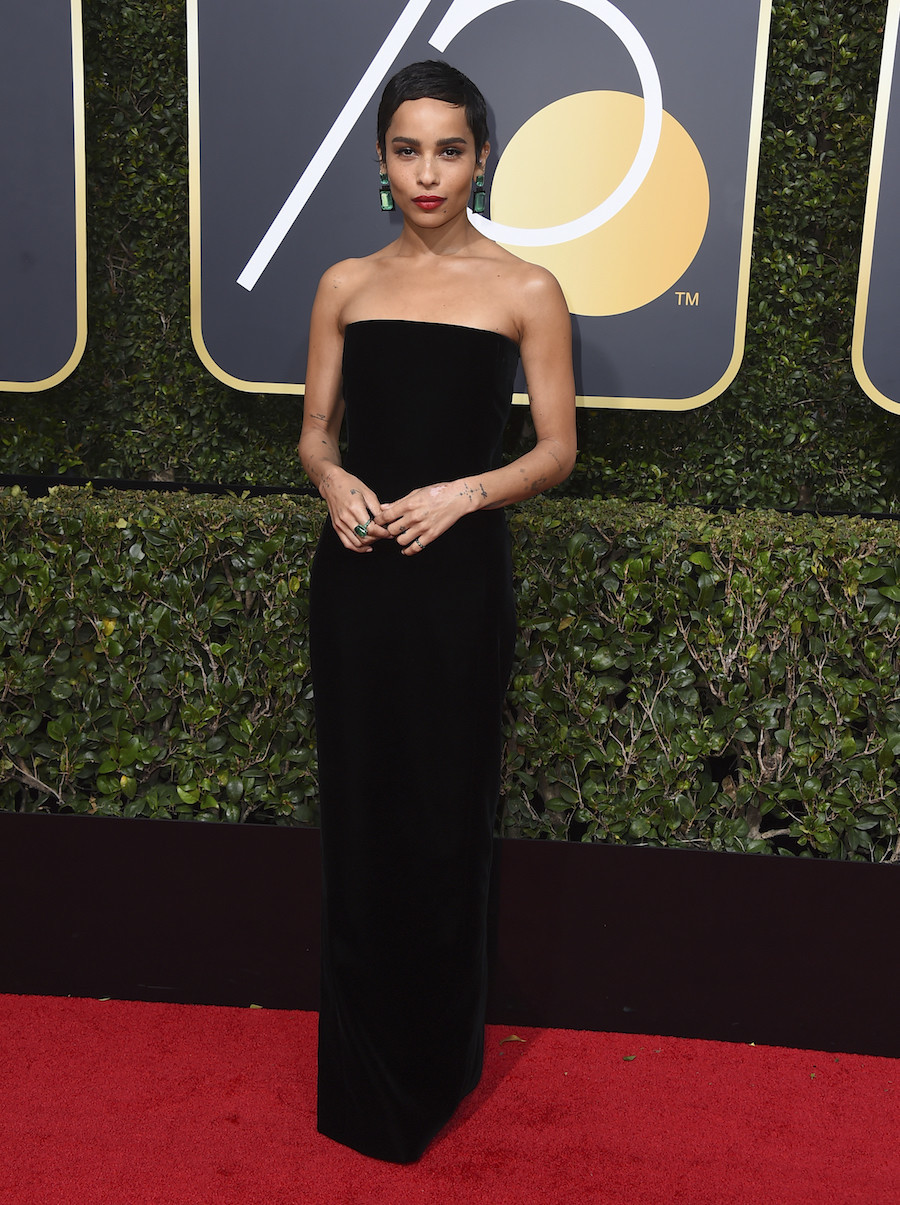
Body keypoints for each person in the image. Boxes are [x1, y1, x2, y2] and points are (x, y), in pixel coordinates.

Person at [298, 60, 576, 1164]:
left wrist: (465, 492)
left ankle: (435, 1058)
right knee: (360, 809)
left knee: (445, 810)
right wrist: (331, 479)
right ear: (380, 159)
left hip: (458, 587)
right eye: (407, 150)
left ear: (481, 157)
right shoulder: (344, 284)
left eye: (449, 150)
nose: (428, 172)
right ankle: (363, 1070)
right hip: (357, 579)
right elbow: (315, 431)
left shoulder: (527, 289)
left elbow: (556, 450)